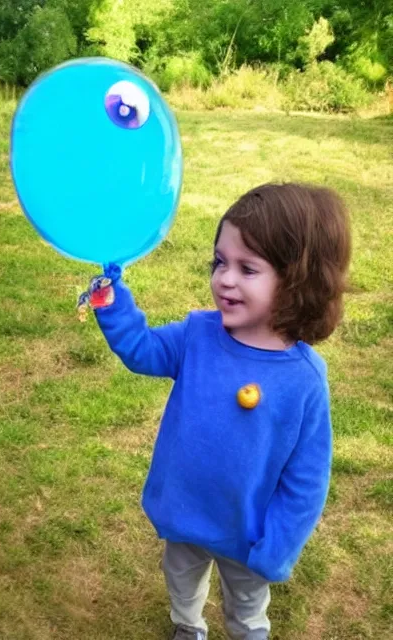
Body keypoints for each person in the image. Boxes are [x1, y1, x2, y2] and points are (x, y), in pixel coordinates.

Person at [81, 182, 351, 640]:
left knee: (246, 610)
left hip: (248, 536)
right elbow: (142, 350)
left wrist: (276, 549)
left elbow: (307, 479)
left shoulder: (303, 378)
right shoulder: (198, 335)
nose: (225, 279)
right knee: (182, 581)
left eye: (248, 268)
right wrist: (111, 302)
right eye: (220, 262)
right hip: (185, 513)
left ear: (297, 281)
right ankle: (188, 627)